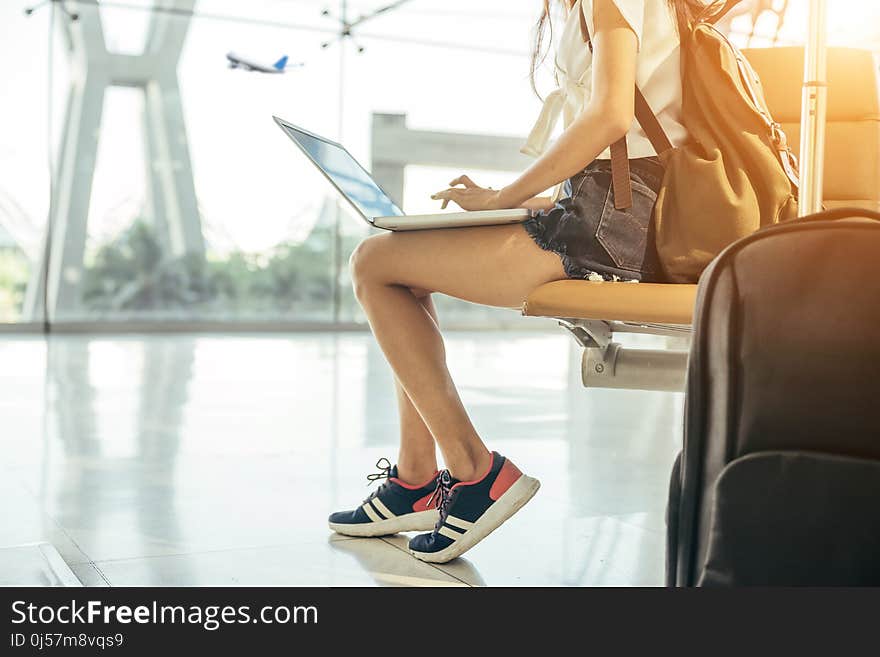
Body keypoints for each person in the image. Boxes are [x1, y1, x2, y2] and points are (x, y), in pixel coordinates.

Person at [329, 0, 698, 564]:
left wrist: (507, 197)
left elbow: (611, 118)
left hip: (611, 225)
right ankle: (413, 478)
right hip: (611, 211)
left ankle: (475, 473)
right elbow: (631, 152)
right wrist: (515, 203)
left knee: (374, 263)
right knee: (397, 261)